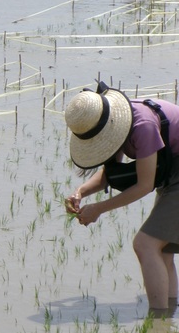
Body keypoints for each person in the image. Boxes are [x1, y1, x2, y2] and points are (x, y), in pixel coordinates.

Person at [63, 82, 179, 315]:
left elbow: (144, 185)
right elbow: (110, 175)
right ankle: (168, 317)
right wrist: (81, 192)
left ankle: (157, 320)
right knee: (162, 249)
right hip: (173, 171)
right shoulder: (116, 124)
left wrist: (98, 209)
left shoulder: (142, 126)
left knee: (146, 244)